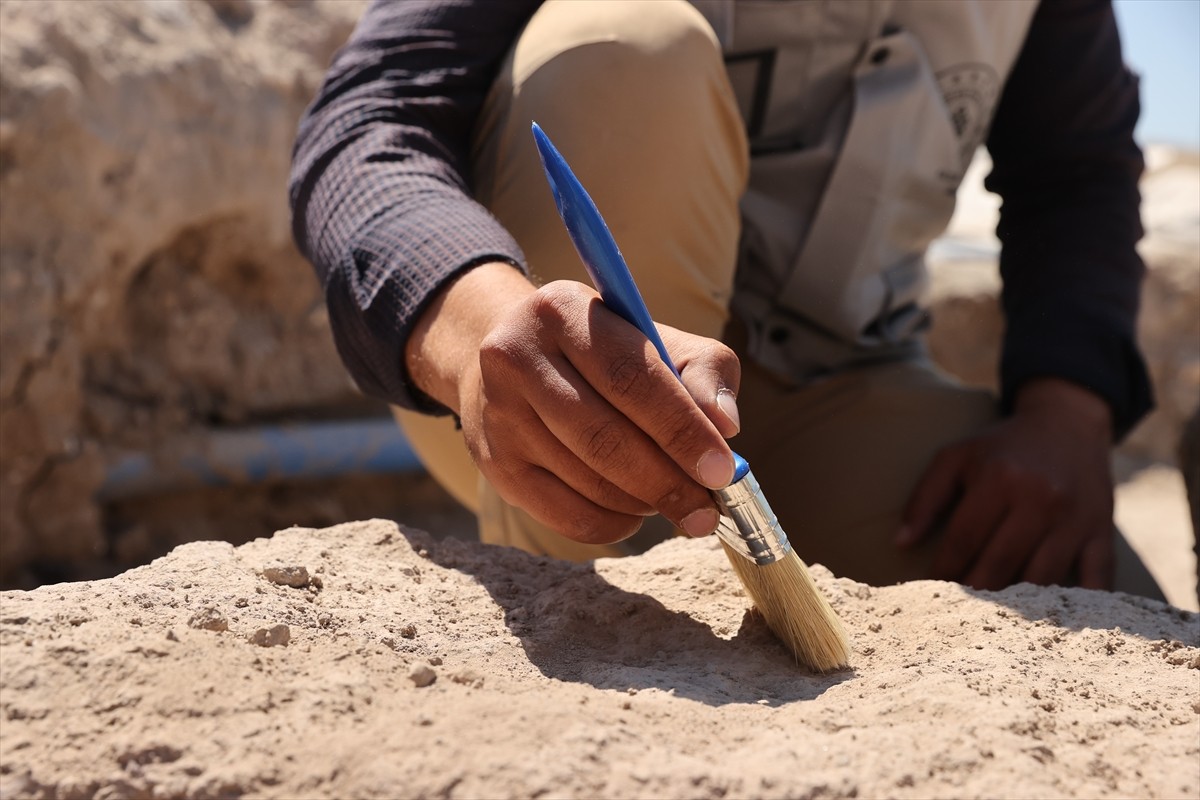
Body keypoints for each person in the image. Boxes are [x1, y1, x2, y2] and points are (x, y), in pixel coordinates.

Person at [289, 0, 1166, 599]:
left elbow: (1076, 173)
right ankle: (570, 590)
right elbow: (369, 126)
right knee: (632, 46)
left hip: (841, 381)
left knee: (1106, 616)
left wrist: (1068, 413)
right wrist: (479, 324)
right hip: (536, 373)